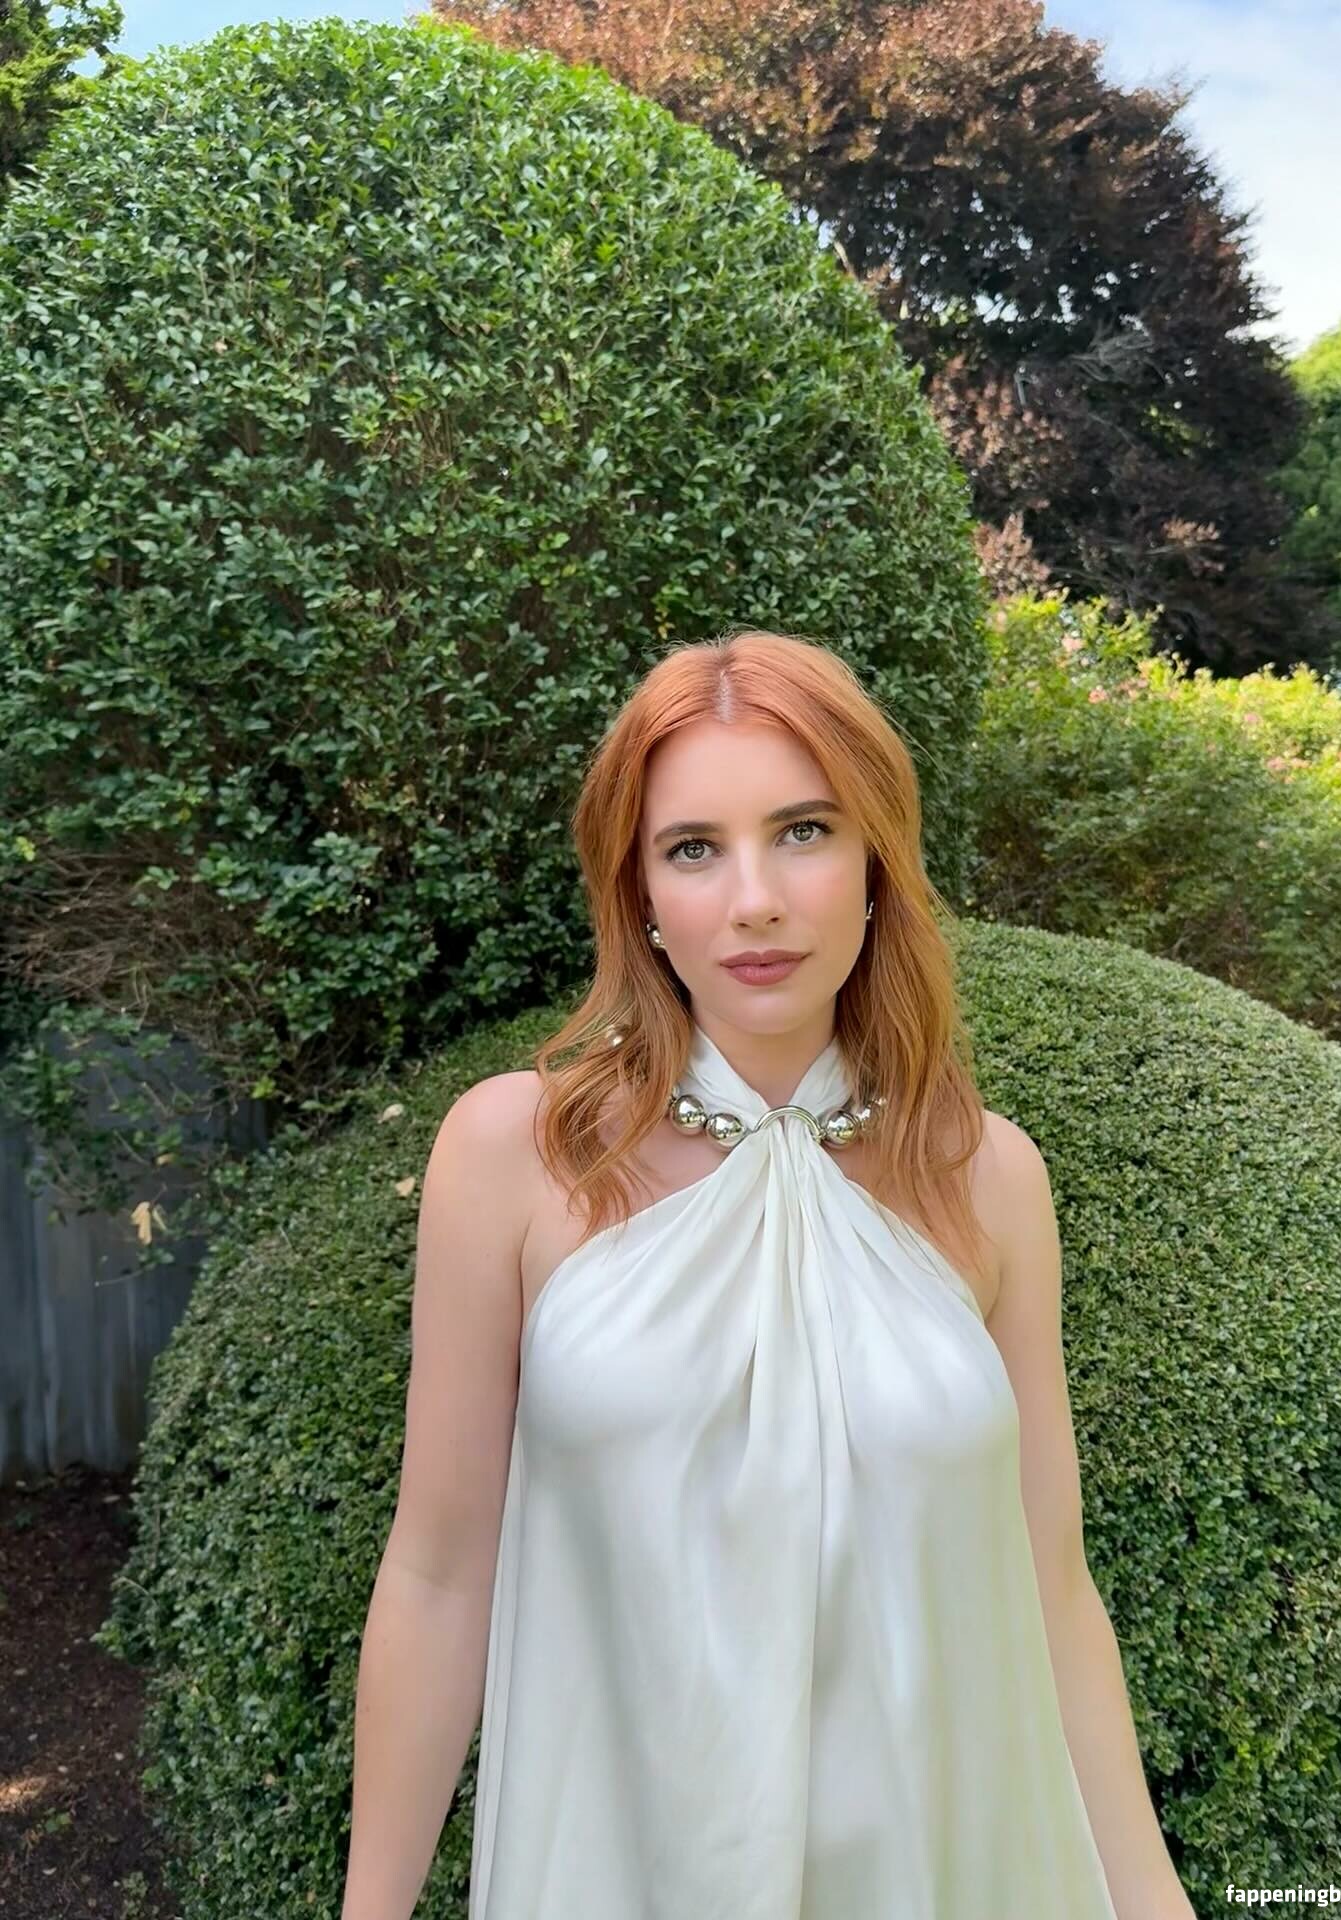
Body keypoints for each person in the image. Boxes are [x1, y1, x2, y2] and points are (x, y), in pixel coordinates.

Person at [344, 627, 1196, 1920]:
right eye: (694, 848)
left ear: (876, 862)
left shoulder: (989, 1178)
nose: (754, 899)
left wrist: (1154, 1902)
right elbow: (437, 1576)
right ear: (639, 893)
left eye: (803, 831)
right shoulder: (515, 1156)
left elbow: (1053, 1595)